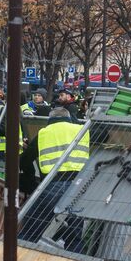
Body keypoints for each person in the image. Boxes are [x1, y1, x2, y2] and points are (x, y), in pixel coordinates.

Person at [19, 104, 91, 248]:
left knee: (30, 230)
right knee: (74, 236)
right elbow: (105, 134)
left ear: (50, 120)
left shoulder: (44, 133)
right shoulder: (81, 130)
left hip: (52, 186)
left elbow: (24, 161)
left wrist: (31, 181)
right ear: (69, 119)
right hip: (77, 188)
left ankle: (17, 259)